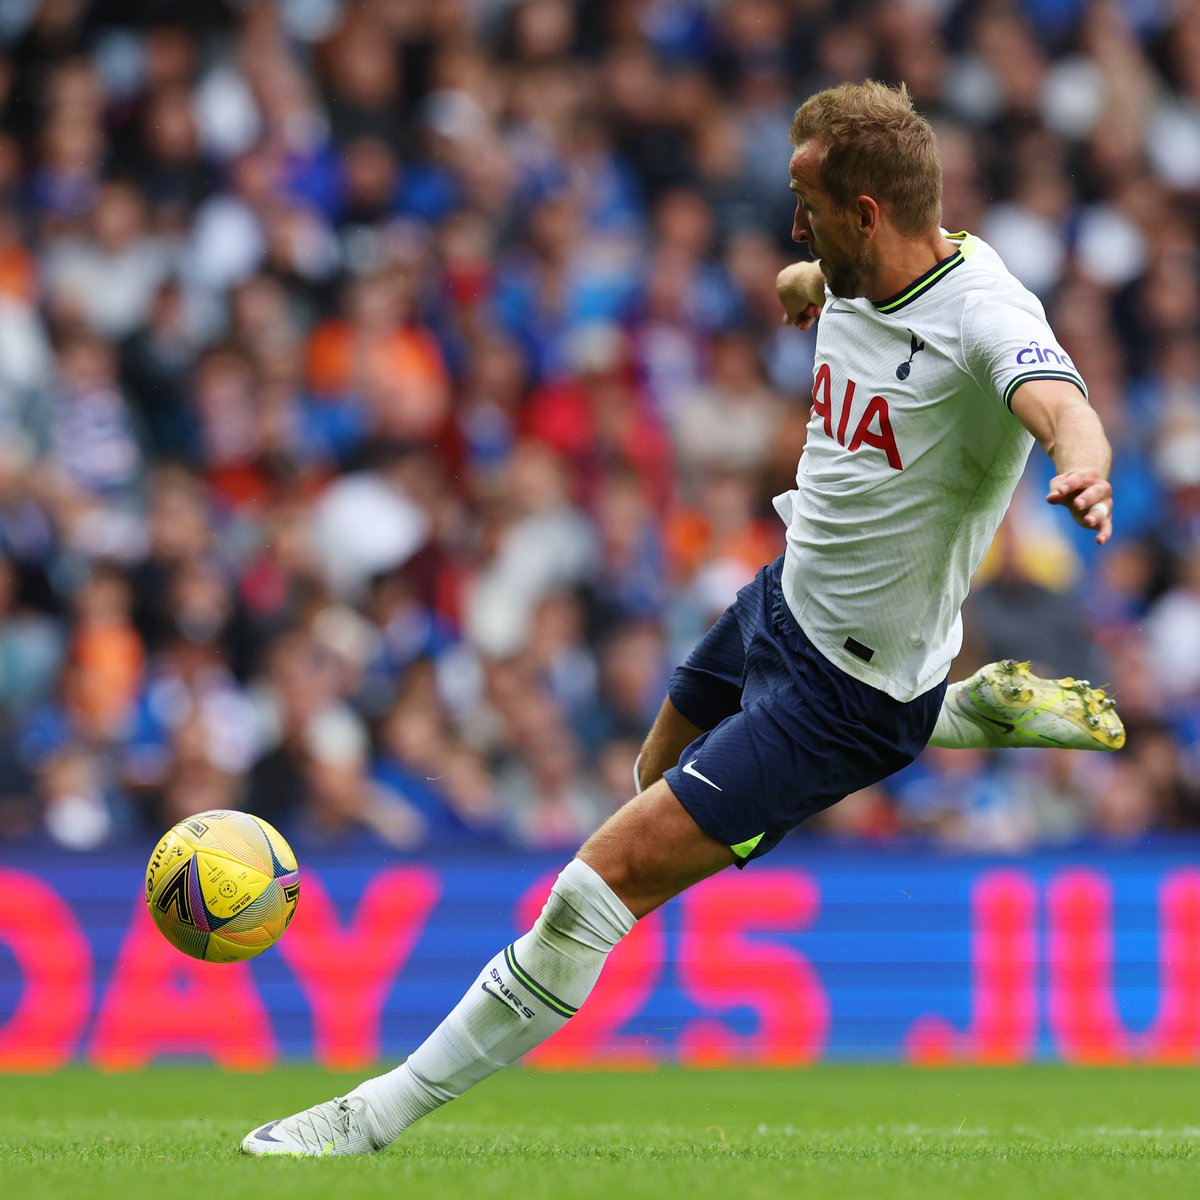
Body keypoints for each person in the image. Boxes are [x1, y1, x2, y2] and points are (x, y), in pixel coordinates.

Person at [241, 80, 1121, 1157]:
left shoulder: (986, 315)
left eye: (807, 206)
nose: (792, 226)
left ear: (866, 214)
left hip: (846, 698)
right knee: (651, 776)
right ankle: (958, 710)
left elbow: (1062, 404)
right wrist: (806, 286)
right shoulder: (867, 264)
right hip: (780, 603)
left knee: (593, 889)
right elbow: (827, 283)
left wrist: (1083, 467)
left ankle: (369, 1117)